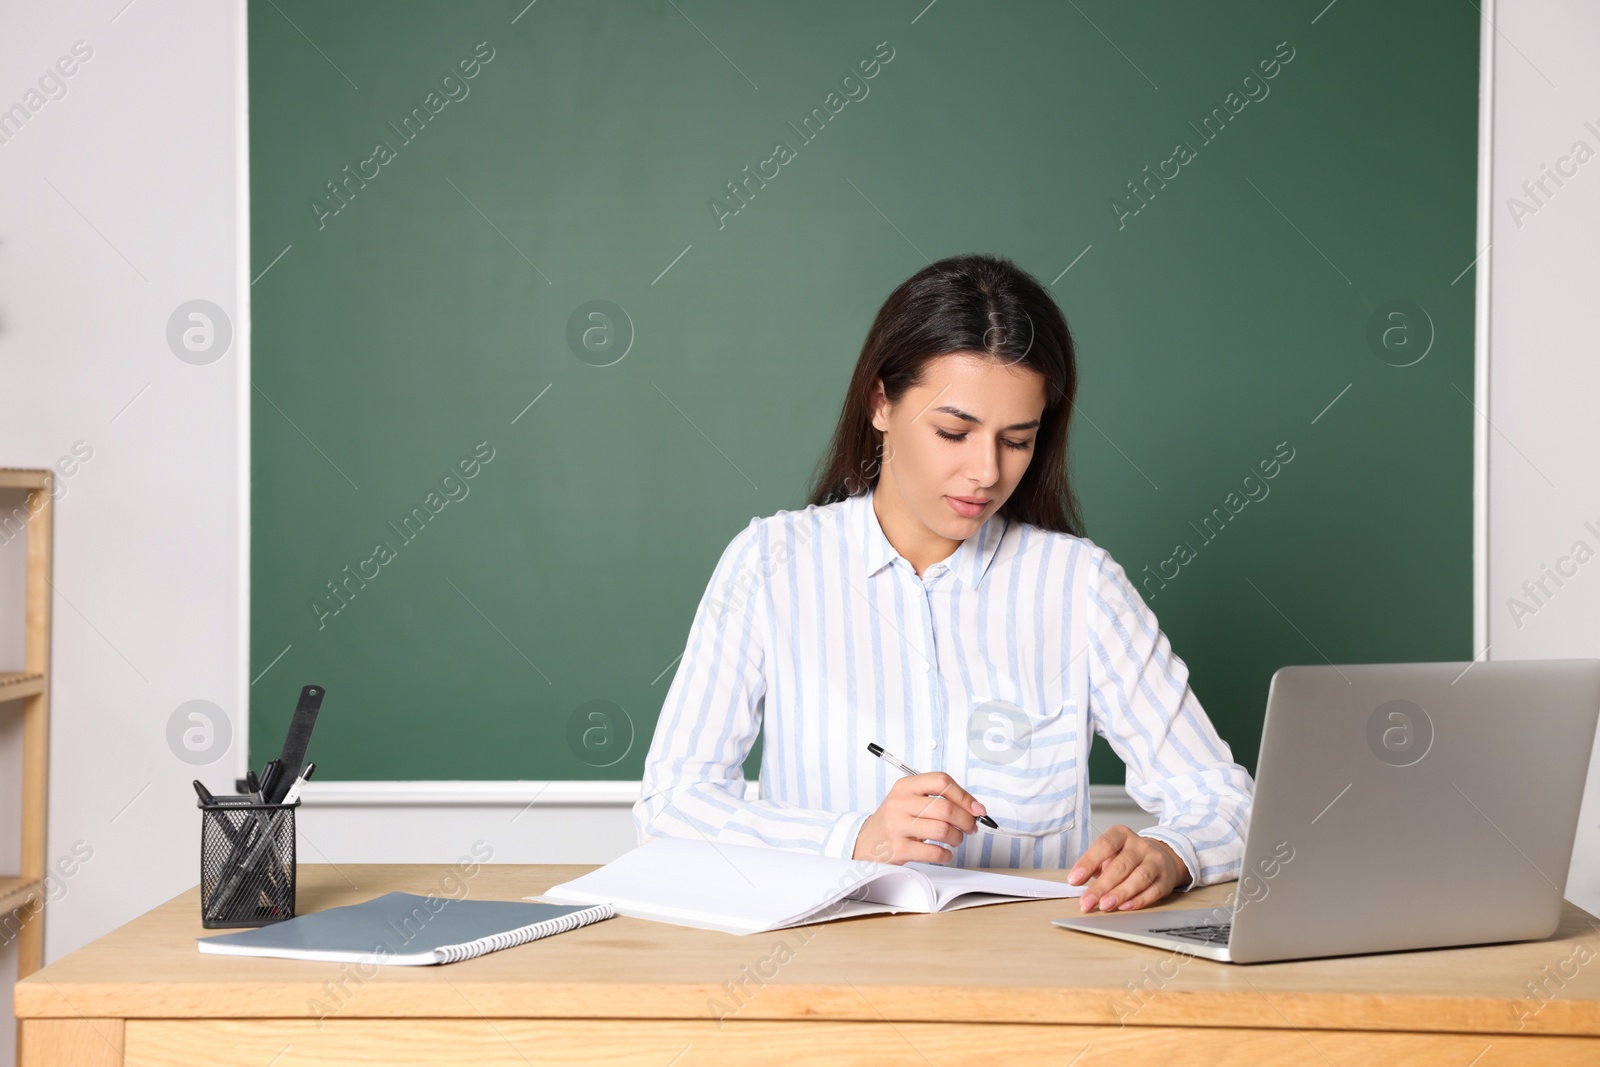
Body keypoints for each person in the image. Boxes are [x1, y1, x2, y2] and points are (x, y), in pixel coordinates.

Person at [634, 253, 1253, 913]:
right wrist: (853, 837)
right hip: (819, 976)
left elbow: (1226, 802)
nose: (985, 471)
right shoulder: (769, 564)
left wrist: (1172, 852)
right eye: (954, 431)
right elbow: (670, 809)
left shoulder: (1080, 586)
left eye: (1017, 440)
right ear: (881, 403)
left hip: (1025, 983)